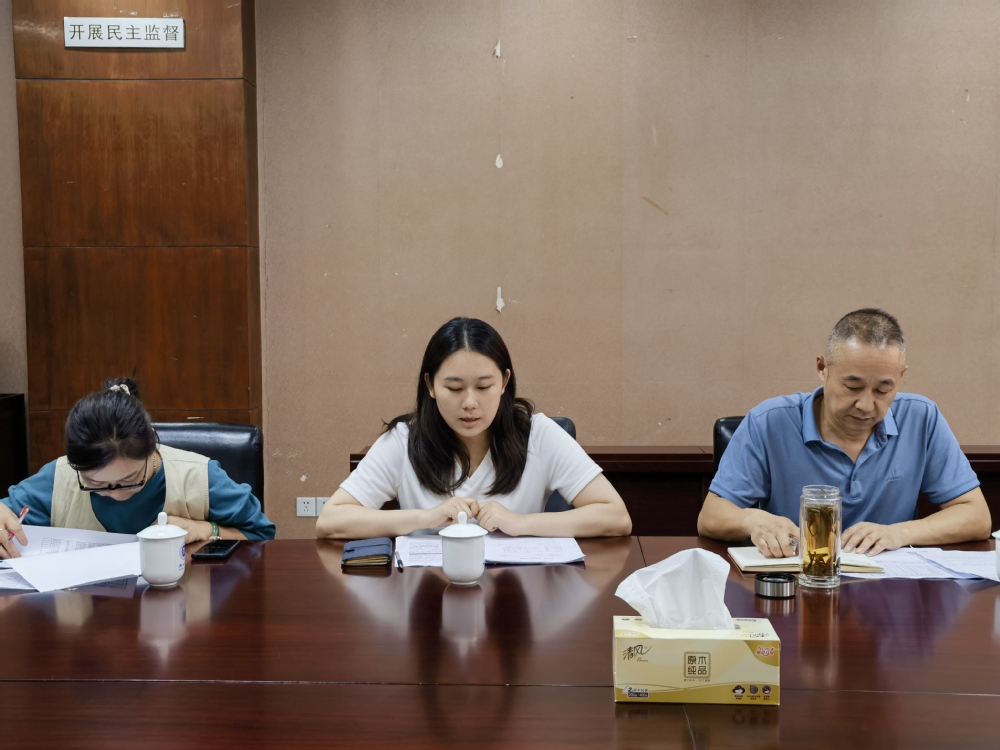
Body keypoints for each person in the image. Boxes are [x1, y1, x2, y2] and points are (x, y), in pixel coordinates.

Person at [698, 308, 991, 557]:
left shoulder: (921, 418)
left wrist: (898, 533)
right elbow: (710, 517)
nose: (866, 405)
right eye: (852, 386)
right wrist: (752, 520)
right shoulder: (769, 421)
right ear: (822, 368)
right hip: (796, 586)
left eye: (883, 389)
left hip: (890, 592)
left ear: (900, 376)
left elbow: (976, 516)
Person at [316, 317, 632, 539]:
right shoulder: (404, 441)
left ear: (504, 382)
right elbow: (330, 521)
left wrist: (520, 523)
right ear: (430, 385)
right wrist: (425, 518)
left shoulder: (538, 434)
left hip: (518, 598)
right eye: (454, 388)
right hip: (429, 598)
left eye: (483, 387)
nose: (469, 403)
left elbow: (616, 516)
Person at [0, 378, 275, 558]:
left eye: (131, 479)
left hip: (184, 612)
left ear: (152, 446)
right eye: (95, 484)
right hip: (84, 623)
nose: (117, 493)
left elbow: (262, 535)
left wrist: (205, 530)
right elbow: (7, 521)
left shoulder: (200, 477)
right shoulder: (58, 479)